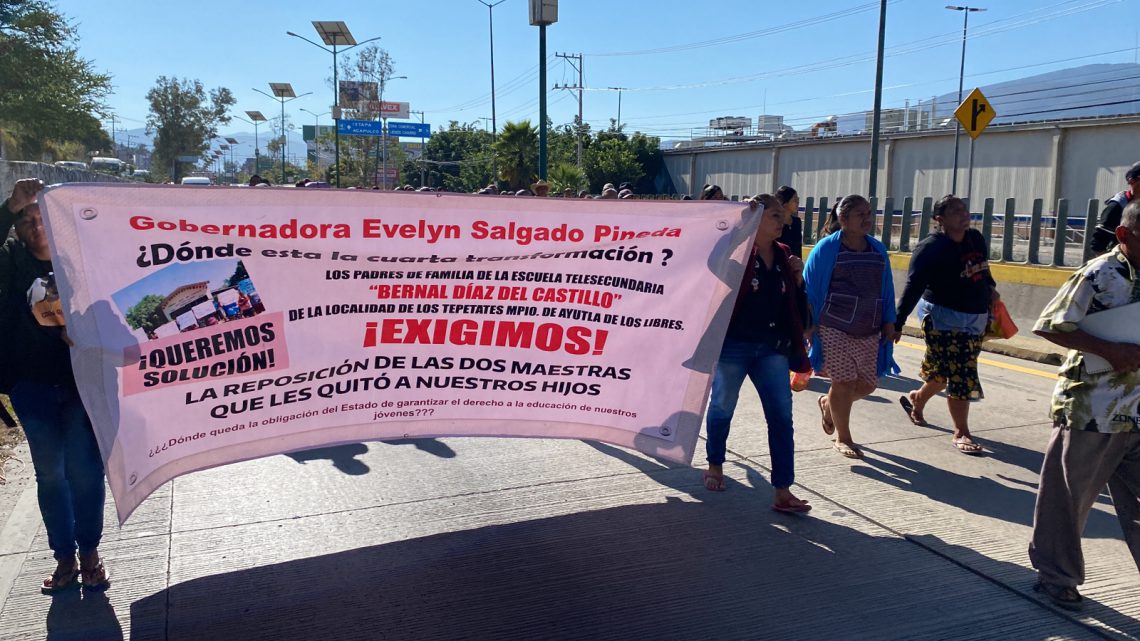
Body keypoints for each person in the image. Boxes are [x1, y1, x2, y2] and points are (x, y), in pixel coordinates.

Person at [1028, 199, 1140, 611]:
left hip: (1137, 411)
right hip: (1092, 408)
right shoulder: (1097, 275)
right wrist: (1108, 349)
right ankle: (1056, 577)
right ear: (1124, 235)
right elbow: (1050, 324)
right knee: (1068, 500)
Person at [0, 179, 111, 595]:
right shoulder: (10, 262)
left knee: (86, 471)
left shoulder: (82, 260)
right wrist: (8, 204)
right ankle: (63, 557)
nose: (34, 224)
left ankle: (90, 555)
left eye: (40, 215)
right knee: (51, 474)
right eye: (24, 218)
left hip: (83, 385)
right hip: (32, 388)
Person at [704, 194, 812, 513]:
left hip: (771, 348)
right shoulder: (737, 252)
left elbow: (792, 301)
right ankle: (715, 464)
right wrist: (741, 225)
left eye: (783, 216)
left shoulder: (784, 255)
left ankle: (783, 489)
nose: (783, 222)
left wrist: (797, 276)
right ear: (756, 219)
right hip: (734, 344)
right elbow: (712, 262)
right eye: (774, 216)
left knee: (781, 416)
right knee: (722, 405)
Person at [894, 195, 998, 455]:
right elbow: (913, 286)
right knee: (962, 373)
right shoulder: (931, 247)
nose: (963, 214)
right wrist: (898, 321)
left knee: (942, 374)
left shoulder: (975, 239)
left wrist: (992, 293)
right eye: (955, 211)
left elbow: (983, 270)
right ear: (940, 220)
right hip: (943, 317)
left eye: (964, 209)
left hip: (975, 316)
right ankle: (961, 432)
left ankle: (917, 399)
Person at [804, 194, 898, 459]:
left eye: (869, 213)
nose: (867, 219)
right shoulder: (826, 249)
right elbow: (809, 289)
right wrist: (808, 323)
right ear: (843, 219)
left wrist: (890, 321)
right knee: (843, 382)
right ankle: (843, 438)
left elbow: (887, 289)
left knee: (868, 385)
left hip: (869, 326)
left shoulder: (877, 250)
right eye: (861, 214)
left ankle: (828, 404)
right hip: (833, 326)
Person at [1089, 161, 1140, 255]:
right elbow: (1097, 244)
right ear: (1132, 181)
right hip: (1126, 261)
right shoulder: (1117, 207)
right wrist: (1114, 265)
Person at [776, 186, 802, 258]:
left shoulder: (797, 222)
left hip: (794, 265)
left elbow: (798, 248)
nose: (798, 202)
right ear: (785, 203)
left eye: (798, 199)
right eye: (794, 200)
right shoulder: (775, 222)